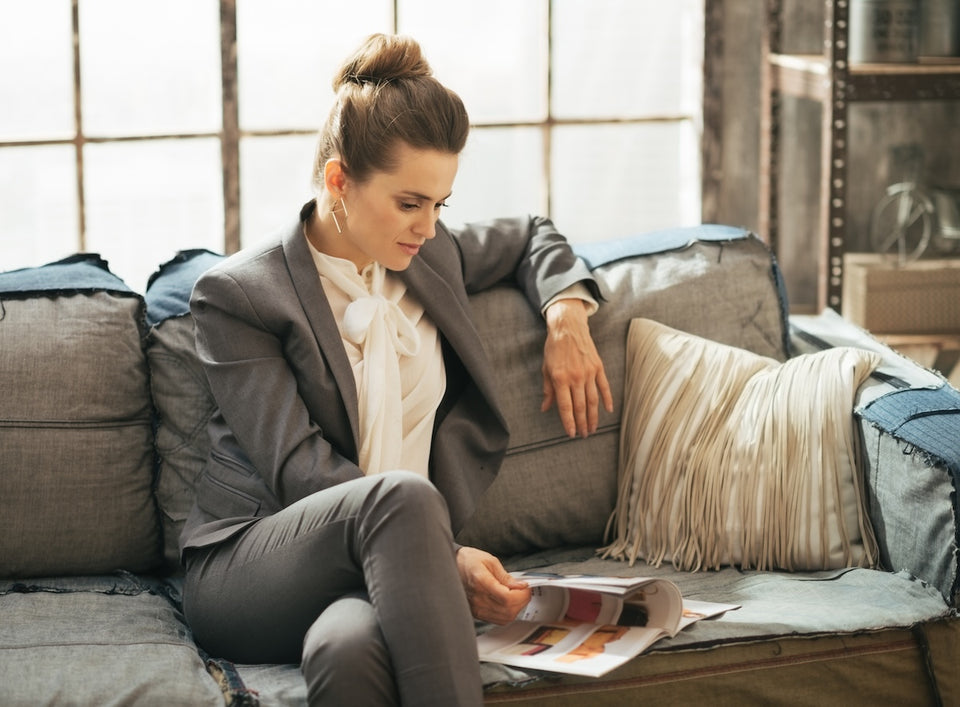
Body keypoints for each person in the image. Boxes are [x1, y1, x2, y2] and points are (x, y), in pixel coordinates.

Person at [180, 33, 613, 707]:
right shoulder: (239, 296)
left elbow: (532, 233)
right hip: (252, 563)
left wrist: (566, 315)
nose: (429, 227)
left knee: (346, 650)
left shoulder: (430, 256)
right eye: (410, 203)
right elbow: (299, 468)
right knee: (406, 498)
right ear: (338, 182)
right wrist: (444, 552)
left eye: (441, 204)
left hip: (377, 572)